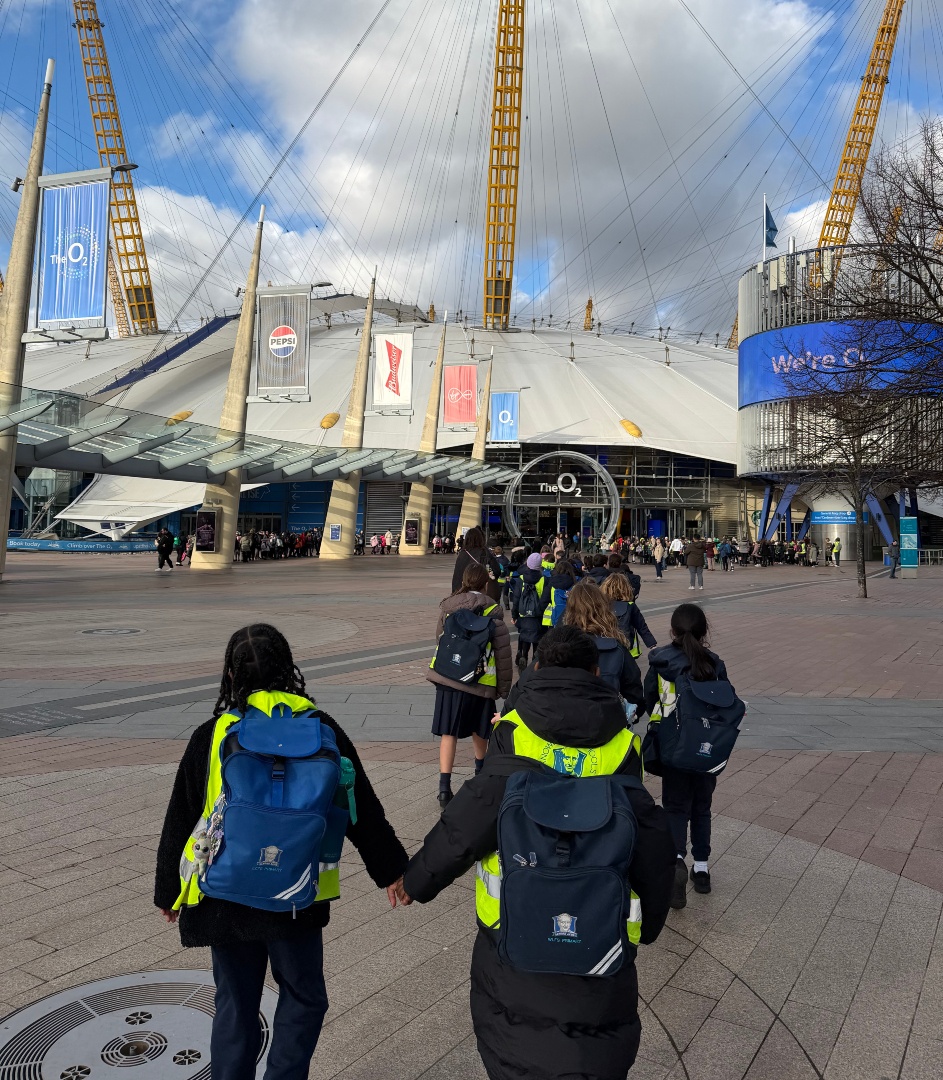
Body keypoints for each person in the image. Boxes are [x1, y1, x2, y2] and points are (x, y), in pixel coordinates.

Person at [399, 625, 676, 1080]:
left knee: (515, 1053)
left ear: (539, 667)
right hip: (600, 943)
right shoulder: (623, 744)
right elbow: (652, 841)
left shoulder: (514, 731)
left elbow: (469, 820)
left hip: (512, 938)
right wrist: (650, 925)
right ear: (594, 671)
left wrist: (415, 880)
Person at [154, 624, 409, 1080]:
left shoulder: (213, 734)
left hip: (224, 894)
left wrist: (169, 891)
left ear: (231, 678)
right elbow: (359, 808)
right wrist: (392, 870)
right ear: (288, 670)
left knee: (235, 1003)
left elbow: (181, 815)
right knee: (304, 996)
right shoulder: (320, 728)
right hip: (296, 894)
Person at [645, 604, 736, 908]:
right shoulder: (713, 663)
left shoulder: (660, 662)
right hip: (707, 748)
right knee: (702, 807)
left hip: (673, 747)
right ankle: (702, 868)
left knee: (674, 806)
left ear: (672, 630)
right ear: (703, 631)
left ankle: (675, 863)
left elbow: (649, 700)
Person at [428, 563, 512, 808]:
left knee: (448, 732)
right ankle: (480, 777)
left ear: (464, 581)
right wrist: (503, 690)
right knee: (480, 731)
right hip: (480, 682)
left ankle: (444, 788)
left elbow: (439, 640)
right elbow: (503, 655)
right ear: (485, 583)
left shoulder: (448, 607)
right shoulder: (493, 611)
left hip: (448, 677)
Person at [562, 580, 645, 715]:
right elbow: (634, 693)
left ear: (569, 610)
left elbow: (524, 686)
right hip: (605, 722)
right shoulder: (616, 649)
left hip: (560, 722)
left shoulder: (555, 644)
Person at [600, 572, 657, 659]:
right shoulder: (630, 605)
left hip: (605, 646)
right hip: (627, 647)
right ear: (626, 588)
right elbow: (642, 627)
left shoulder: (601, 606)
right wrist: (652, 645)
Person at [510, 552, 551, 670]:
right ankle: (535, 657)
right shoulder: (544, 580)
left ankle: (523, 655)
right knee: (537, 637)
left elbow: (516, 599)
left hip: (523, 615)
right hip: (538, 615)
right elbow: (545, 599)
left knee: (524, 635)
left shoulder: (521, 579)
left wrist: (514, 615)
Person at [451, 526, 502, 599]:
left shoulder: (462, 554)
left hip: (462, 594)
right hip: (480, 593)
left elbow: (457, 576)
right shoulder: (484, 552)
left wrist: (455, 593)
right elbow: (497, 570)